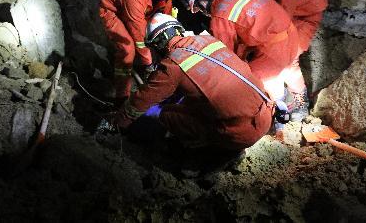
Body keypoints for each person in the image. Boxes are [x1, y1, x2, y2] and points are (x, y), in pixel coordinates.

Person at [113, 13, 276, 150]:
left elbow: (142, 100)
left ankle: (205, 153)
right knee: (189, 103)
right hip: (267, 112)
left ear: (158, 43)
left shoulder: (172, 65)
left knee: (167, 113)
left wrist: (118, 122)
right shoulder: (210, 41)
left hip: (241, 135)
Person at [183, 0, 299, 128]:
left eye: (197, 7)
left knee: (254, 85)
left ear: (202, 0)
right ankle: (300, 105)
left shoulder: (219, 17)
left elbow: (228, 58)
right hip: (291, 33)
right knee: (291, 72)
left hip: (274, 48)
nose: (201, 11)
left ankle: (278, 121)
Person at [231, 0, 328, 121]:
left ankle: (301, 102)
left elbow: (279, 26)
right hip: (297, 7)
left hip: (307, 16)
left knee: (289, 58)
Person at [99, 0, 182, 104]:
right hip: (112, 12)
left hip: (138, 11)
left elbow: (165, 15)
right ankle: (121, 95)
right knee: (128, 50)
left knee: (155, 40)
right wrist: (148, 64)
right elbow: (139, 37)